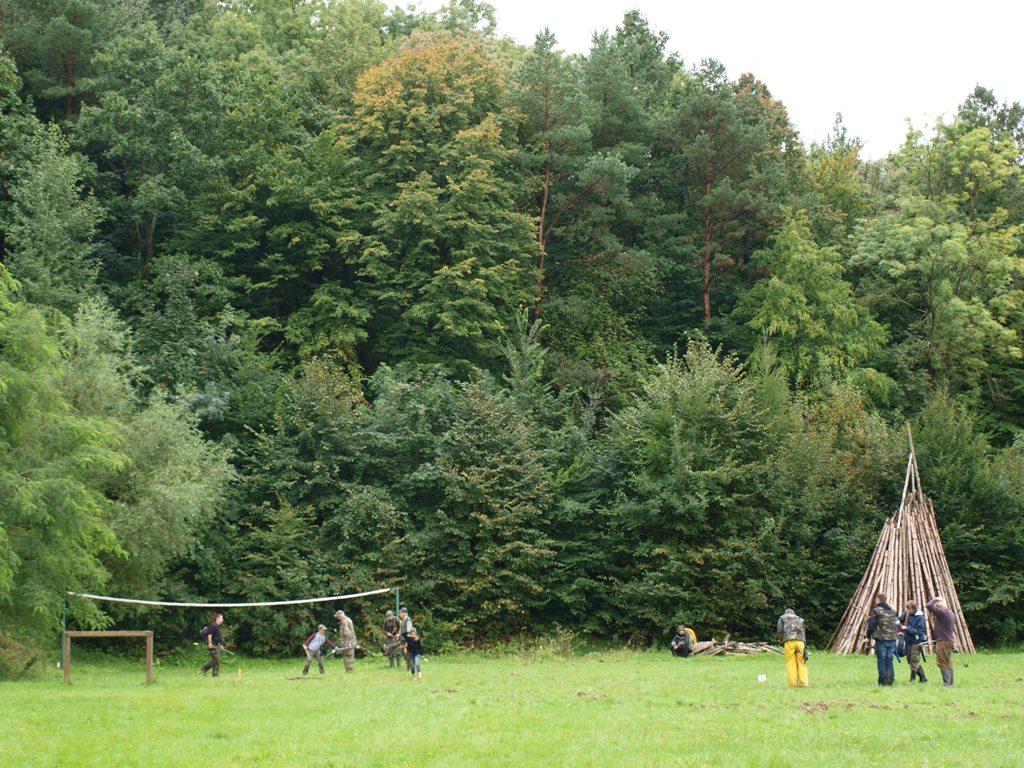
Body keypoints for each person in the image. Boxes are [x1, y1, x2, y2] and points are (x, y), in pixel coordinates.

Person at [866, 593, 900, 686]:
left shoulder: (877, 611)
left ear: (878, 599)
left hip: (881, 640)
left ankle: (882, 683)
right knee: (889, 660)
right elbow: (897, 624)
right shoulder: (893, 611)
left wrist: (868, 637)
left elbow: (871, 625)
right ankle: (890, 681)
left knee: (881, 661)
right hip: (892, 639)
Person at [927, 596, 956, 686]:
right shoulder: (950, 613)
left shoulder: (942, 613)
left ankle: (947, 684)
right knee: (948, 662)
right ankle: (950, 683)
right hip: (949, 640)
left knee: (942, 662)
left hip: (943, 641)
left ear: (939, 607)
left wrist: (935, 599)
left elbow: (929, 606)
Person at [776, 608, 808, 688]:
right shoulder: (800, 619)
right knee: (801, 662)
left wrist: (780, 639)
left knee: (791, 662)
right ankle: (803, 684)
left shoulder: (782, 618)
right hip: (800, 642)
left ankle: (793, 684)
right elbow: (804, 632)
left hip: (789, 641)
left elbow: (779, 631)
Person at [899, 600, 928, 683]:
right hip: (908, 640)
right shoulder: (907, 613)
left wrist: (907, 628)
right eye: (908, 609)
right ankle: (923, 678)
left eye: (910, 609)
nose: (909, 610)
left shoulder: (920, 618)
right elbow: (900, 619)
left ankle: (912, 679)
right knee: (909, 660)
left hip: (916, 641)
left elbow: (919, 631)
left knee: (914, 660)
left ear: (914, 608)